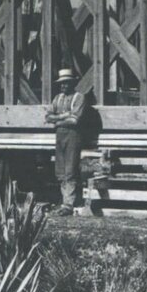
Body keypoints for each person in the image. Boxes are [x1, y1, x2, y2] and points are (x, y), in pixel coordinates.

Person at [44, 66, 91, 212]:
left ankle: (68, 204)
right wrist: (64, 116)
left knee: (70, 169)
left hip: (73, 136)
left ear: (73, 83)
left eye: (66, 83)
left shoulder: (79, 97)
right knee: (60, 170)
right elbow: (48, 117)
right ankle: (64, 199)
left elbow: (75, 120)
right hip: (60, 136)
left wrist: (57, 121)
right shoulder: (58, 98)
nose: (63, 86)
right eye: (61, 83)